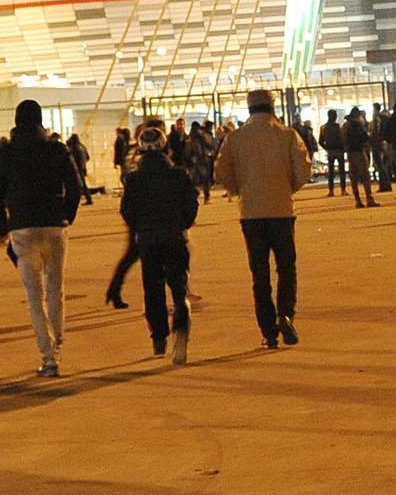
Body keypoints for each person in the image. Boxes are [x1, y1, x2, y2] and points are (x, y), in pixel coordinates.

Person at [0, 98, 83, 379]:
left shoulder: (5, 153)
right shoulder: (56, 149)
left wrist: (1, 227)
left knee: (34, 296)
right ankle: (59, 345)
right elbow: (75, 186)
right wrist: (67, 215)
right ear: (40, 120)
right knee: (56, 288)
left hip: (23, 228)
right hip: (54, 225)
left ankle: (48, 356)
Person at [216, 88, 311, 349]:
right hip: (282, 211)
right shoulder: (287, 134)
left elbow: (221, 171)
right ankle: (286, 314)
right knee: (286, 267)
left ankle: (268, 331)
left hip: (251, 213)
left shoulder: (235, 137)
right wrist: (287, 188)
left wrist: (240, 190)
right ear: (272, 106)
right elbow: (304, 169)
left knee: (260, 274)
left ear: (249, 108)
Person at [114, 121, 198, 362]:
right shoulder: (179, 174)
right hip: (175, 237)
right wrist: (182, 224)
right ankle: (181, 331)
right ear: (165, 148)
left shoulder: (134, 179)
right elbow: (191, 205)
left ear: (140, 149)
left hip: (148, 240)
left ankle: (159, 339)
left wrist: (140, 228)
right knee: (179, 288)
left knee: (153, 290)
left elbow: (127, 210)